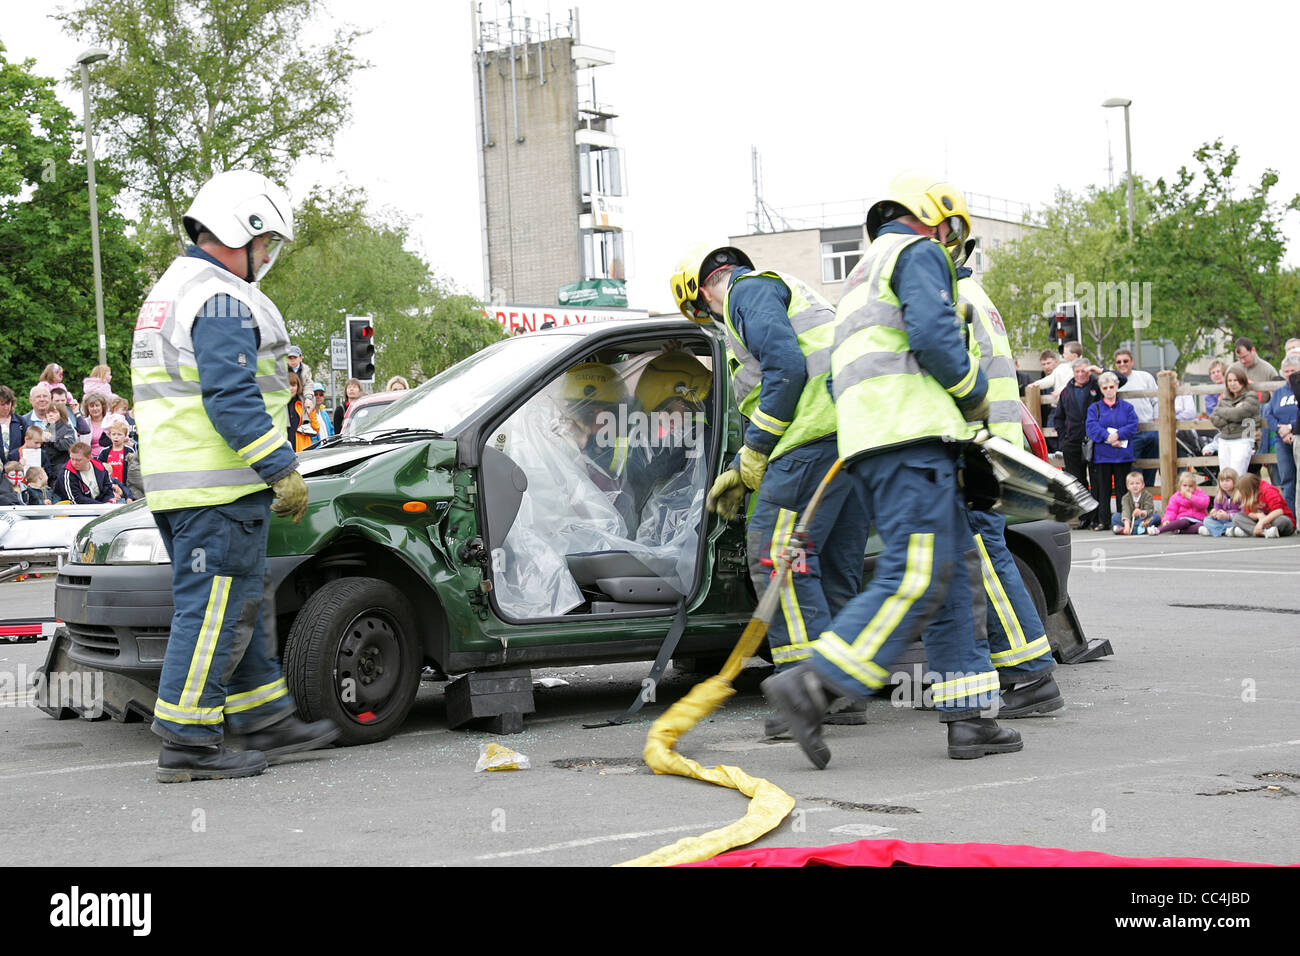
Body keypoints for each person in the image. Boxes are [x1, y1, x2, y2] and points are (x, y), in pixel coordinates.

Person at [761, 171, 1021, 766]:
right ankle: (813, 685)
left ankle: (972, 718)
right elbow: (934, 337)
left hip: (882, 443)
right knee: (916, 574)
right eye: (953, 232)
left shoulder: (858, 280)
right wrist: (974, 394)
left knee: (949, 579)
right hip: (911, 439)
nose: (953, 245)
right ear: (937, 218)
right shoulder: (917, 250)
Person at [130, 169, 337, 783]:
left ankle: (263, 717)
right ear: (236, 232)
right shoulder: (220, 297)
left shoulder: (178, 287)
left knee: (238, 604)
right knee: (215, 609)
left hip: (190, 485)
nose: (267, 255)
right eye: (265, 242)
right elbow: (231, 396)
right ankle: (189, 742)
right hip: (218, 487)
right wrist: (281, 468)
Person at [671, 240, 869, 737]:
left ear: (703, 294)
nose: (711, 322)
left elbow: (786, 368)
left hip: (809, 439)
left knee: (776, 555)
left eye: (702, 315)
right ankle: (841, 693)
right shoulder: (790, 291)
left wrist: (754, 451)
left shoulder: (745, 292)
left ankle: (804, 693)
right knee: (832, 566)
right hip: (850, 437)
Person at [953, 251, 1063, 716]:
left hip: (978, 445)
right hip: (993, 441)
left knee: (986, 560)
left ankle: (1032, 674)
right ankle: (989, 676)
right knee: (983, 558)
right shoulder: (972, 293)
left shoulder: (952, 298)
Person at [1052, 358, 1124, 530]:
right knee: (1077, 482)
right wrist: (1064, 438)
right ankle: (1084, 517)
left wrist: (1100, 370)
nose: (1080, 374)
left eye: (1084, 371)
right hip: (1072, 442)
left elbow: (1121, 379)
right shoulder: (1066, 391)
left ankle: (1098, 518)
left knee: (1097, 480)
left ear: (1089, 371)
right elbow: (1058, 417)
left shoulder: (1098, 385)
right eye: (1077, 371)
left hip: (1095, 441)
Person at [1085, 371, 1139, 532]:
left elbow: (1132, 425)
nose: (1109, 390)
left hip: (1123, 455)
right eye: (1105, 387)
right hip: (1102, 455)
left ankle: (1123, 519)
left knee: (1123, 490)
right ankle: (1103, 520)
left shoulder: (1127, 407)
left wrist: (1118, 435)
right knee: (1103, 489)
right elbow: (1091, 427)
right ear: (1101, 389)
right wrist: (1108, 437)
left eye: (1111, 387)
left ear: (1116, 387)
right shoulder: (1094, 408)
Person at [1113, 349, 1158, 485]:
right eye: (1119, 362)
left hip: (1150, 429)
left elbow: (1156, 400)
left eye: (1125, 361)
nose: (1122, 364)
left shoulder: (1145, 377)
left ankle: (1147, 501)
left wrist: (1157, 422)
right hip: (1130, 433)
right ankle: (1136, 503)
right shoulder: (1113, 381)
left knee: (1152, 467)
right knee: (1134, 471)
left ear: (1132, 362)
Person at [1210, 363, 1261, 478]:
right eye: (1230, 380)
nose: (1232, 383)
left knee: (1237, 476)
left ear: (1242, 381)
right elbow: (1214, 417)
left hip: (1243, 439)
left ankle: (1237, 497)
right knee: (1225, 477)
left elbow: (1240, 414)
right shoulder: (1225, 399)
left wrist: (1226, 414)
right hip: (1224, 440)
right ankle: (1228, 497)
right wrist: (1233, 412)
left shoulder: (1251, 396)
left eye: (1236, 380)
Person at [1262, 352, 1299, 510]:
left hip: (1297, 435)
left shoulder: (1297, 391)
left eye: (1293, 371)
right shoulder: (1279, 392)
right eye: (1287, 371)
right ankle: (1291, 516)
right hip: (1281, 439)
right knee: (1287, 479)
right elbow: (1269, 414)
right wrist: (1281, 431)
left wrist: (1290, 427)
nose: (1290, 374)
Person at [1231, 472, 1295, 538]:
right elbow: (1248, 513)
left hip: (1274, 520)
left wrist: (1262, 522)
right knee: (1237, 517)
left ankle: (1251, 531)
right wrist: (1258, 516)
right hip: (1261, 522)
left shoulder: (1268, 490)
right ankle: (1263, 533)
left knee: (1282, 521)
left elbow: (1278, 511)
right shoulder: (1248, 496)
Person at [1199, 468, 1242, 537]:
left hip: (1234, 520)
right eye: (1222, 481)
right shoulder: (1219, 496)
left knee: (1240, 523)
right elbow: (1217, 509)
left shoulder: (1240, 495)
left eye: (1227, 481)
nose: (1224, 483)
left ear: (1235, 481)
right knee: (1207, 520)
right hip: (1223, 521)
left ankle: (1214, 530)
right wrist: (1215, 514)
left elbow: (1244, 513)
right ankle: (1224, 531)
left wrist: (1228, 516)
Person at [1114, 470, 1160, 535]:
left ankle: (1128, 529)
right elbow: (1125, 511)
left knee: (1156, 517)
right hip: (1130, 519)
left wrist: (1141, 513)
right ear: (1128, 486)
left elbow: (1149, 510)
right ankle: (1138, 529)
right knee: (1115, 517)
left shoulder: (1147, 495)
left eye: (1137, 483)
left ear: (1143, 485)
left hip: (1143, 519)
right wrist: (1127, 525)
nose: (1135, 486)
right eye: (1132, 484)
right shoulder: (1125, 498)